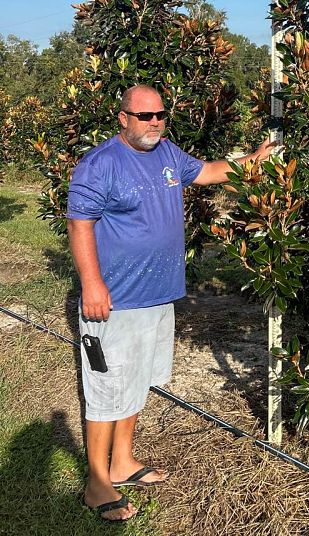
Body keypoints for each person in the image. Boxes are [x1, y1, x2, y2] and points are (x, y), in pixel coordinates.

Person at [66, 83, 274, 522]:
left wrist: (252, 162)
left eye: (161, 114)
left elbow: (209, 172)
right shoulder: (99, 165)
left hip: (158, 295)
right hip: (116, 300)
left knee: (137, 380)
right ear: (123, 118)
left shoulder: (167, 154)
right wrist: (92, 284)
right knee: (106, 390)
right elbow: (80, 223)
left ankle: (122, 461)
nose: (155, 122)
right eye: (145, 116)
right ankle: (96, 483)